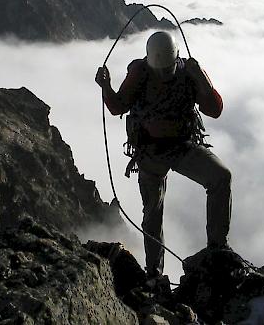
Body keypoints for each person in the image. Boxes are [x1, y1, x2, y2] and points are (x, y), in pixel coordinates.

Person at [95, 31, 232, 278]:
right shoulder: (150, 72)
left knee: (218, 179)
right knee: (154, 213)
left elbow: (215, 109)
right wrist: (106, 87)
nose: (164, 74)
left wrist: (106, 86)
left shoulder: (177, 72)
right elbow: (118, 106)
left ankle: (215, 249)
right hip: (161, 150)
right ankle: (157, 273)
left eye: (168, 69)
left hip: (168, 149)